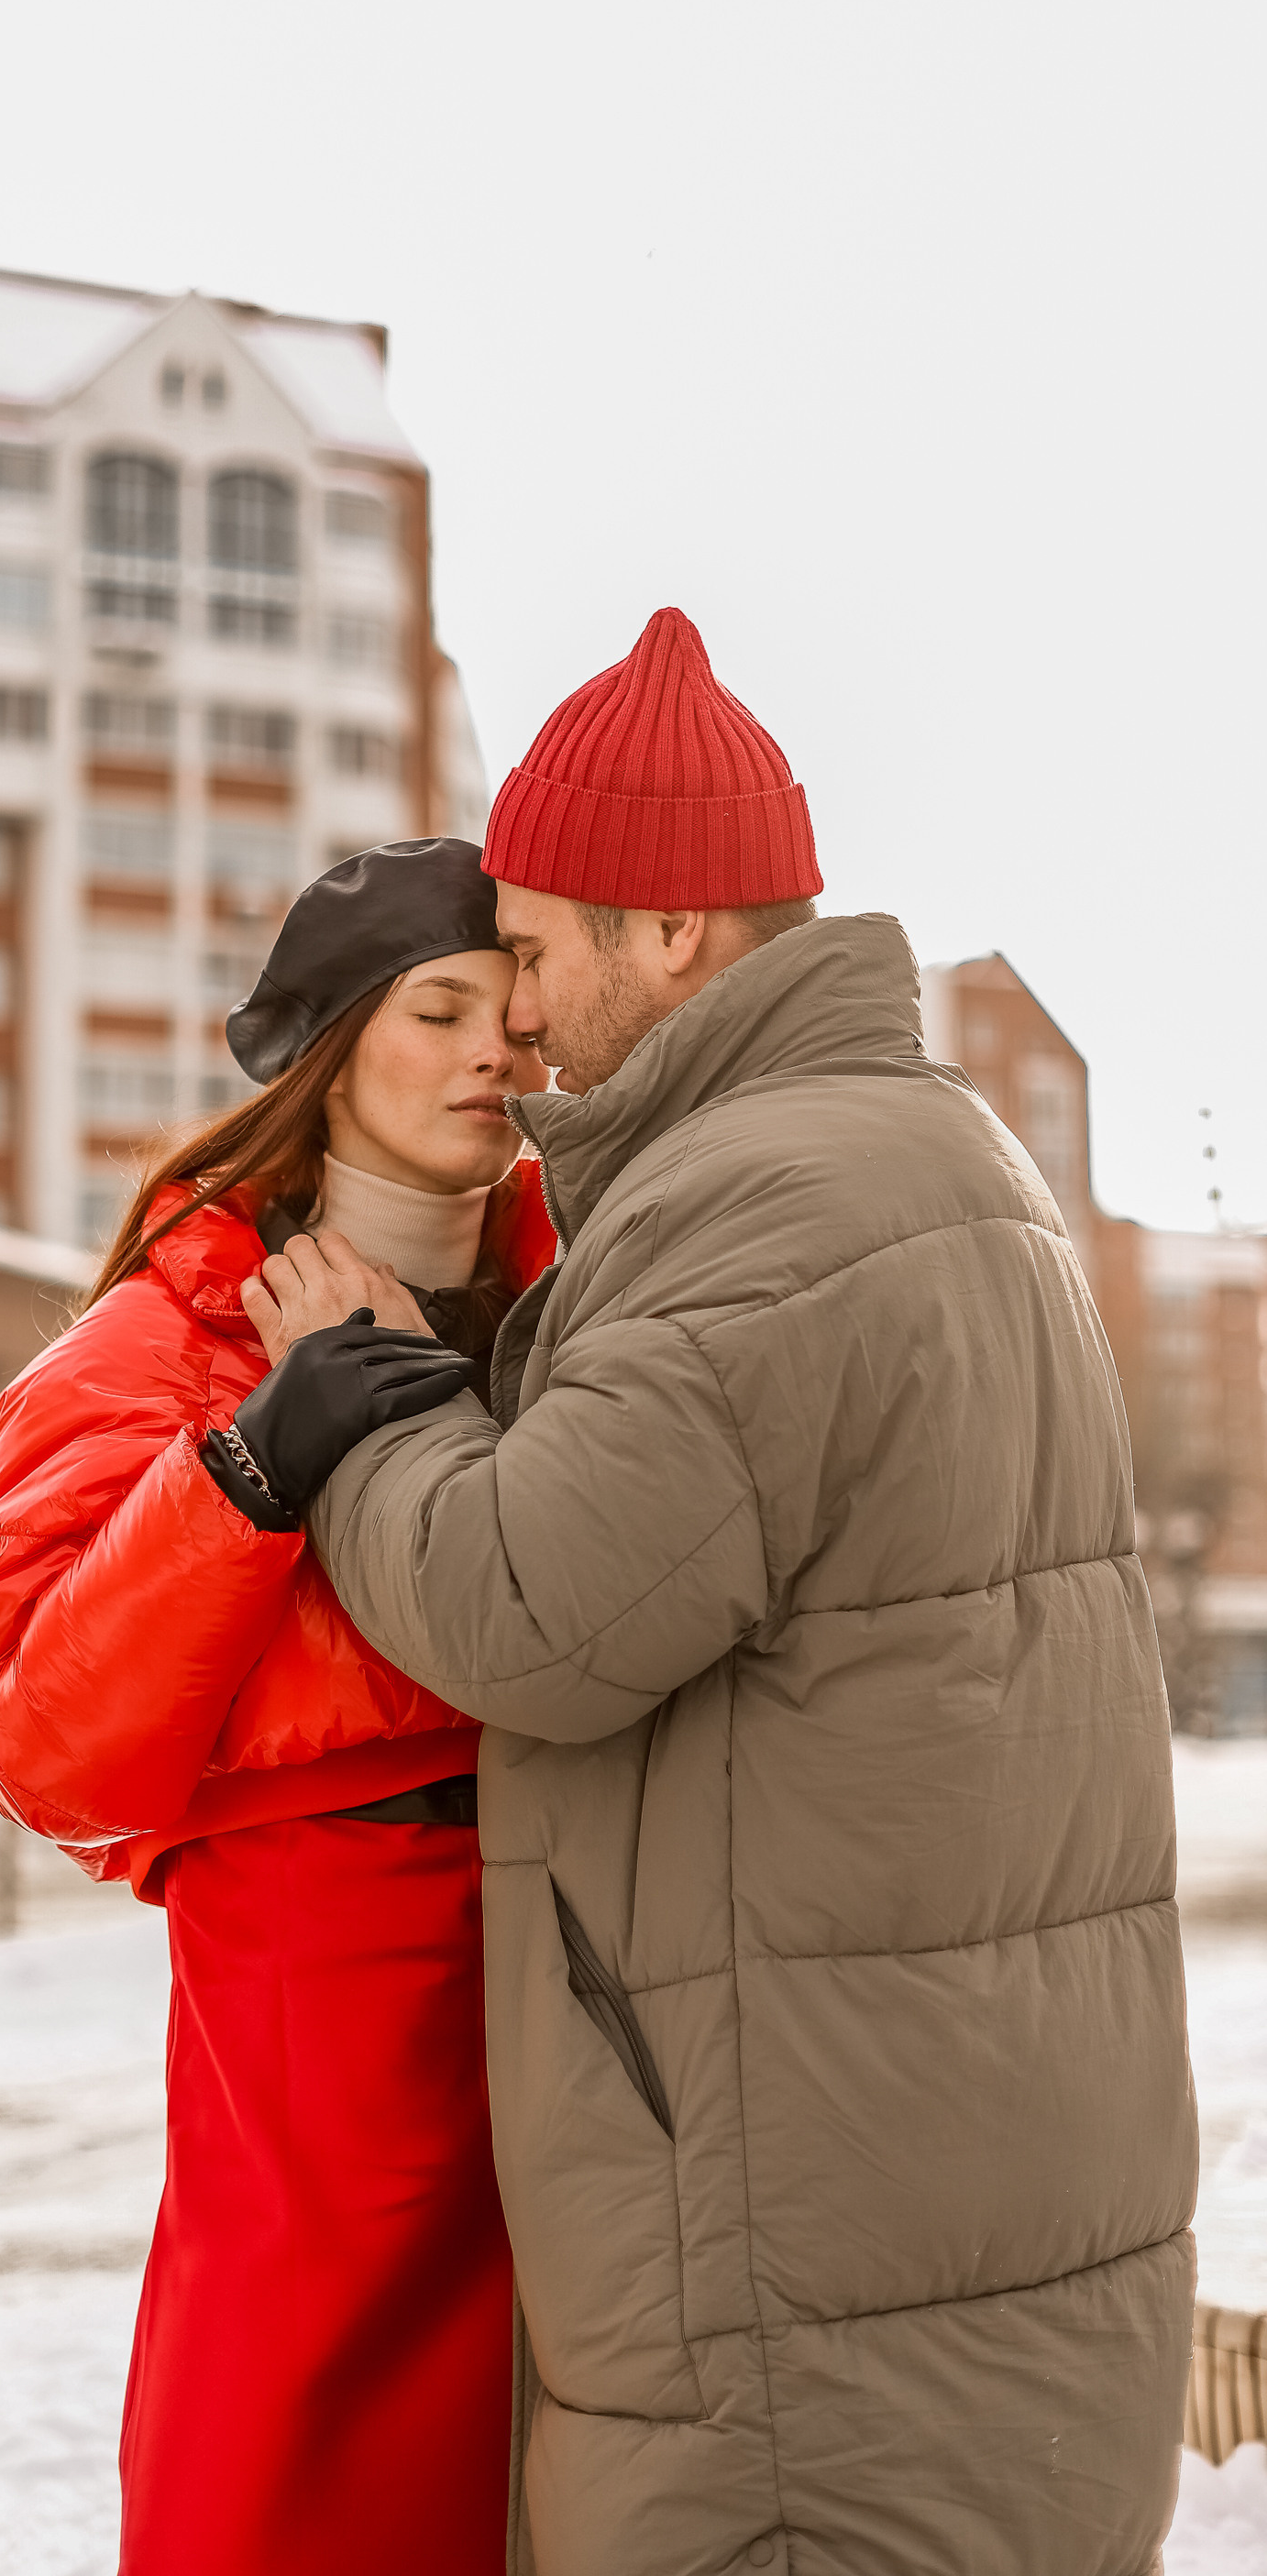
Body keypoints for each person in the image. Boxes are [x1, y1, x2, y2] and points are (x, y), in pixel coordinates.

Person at [237, 611, 1198, 2576]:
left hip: (804, 2325)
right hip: (923, 2249)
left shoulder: (772, 1201)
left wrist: (361, 1403)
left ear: (668, 934)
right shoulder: (930, 1156)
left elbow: (535, 1608)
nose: (511, 1016)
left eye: (528, 947)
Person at [0, 839, 556, 2576]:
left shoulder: (580, 1300)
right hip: (324, 1978)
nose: (490, 1053)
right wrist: (248, 1473)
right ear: (332, 1051)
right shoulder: (151, 1348)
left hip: (592, 1934)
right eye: (437, 1011)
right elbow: (43, 1747)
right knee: (297, 2457)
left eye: (512, 1011)